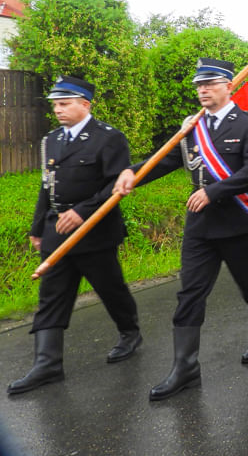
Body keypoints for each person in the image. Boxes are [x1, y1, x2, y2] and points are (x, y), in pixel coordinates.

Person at [113, 58, 248, 401]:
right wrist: (133, 173)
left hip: (238, 223)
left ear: (229, 86)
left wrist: (214, 191)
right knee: (190, 294)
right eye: (199, 85)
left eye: (211, 84)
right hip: (201, 227)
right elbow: (168, 160)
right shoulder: (191, 127)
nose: (203, 89)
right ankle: (185, 367)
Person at [8, 76, 141, 395]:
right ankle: (47, 363)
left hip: (95, 230)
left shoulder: (109, 138)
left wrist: (83, 211)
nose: (58, 110)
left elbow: (116, 186)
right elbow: (46, 186)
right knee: (51, 295)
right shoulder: (51, 140)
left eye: (64, 104)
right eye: (55, 104)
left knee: (110, 288)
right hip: (57, 229)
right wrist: (38, 228)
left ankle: (130, 332)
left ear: (85, 104)